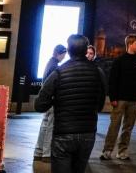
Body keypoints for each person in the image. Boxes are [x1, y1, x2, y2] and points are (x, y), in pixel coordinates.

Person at [35, 34, 107, 173]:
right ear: (86, 50)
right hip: (88, 133)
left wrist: (57, 100)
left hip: (63, 134)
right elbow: (100, 105)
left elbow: (39, 105)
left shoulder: (59, 72)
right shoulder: (98, 73)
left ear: (68, 50)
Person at [103, 34, 136, 161]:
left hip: (134, 99)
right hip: (120, 99)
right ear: (130, 44)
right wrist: (113, 98)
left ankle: (122, 151)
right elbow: (113, 80)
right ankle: (107, 150)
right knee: (114, 125)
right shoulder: (119, 60)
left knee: (128, 127)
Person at [35, 44, 69, 161]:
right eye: (64, 54)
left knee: (44, 125)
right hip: (52, 100)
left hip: (46, 101)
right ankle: (46, 154)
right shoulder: (55, 66)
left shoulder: (50, 63)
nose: (65, 57)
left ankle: (38, 152)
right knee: (50, 127)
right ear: (61, 53)